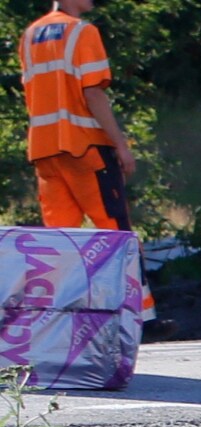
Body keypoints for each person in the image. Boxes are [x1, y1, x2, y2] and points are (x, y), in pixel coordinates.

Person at [20, 0, 154, 324]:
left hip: (45, 152)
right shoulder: (82, 31)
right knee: (115, 234)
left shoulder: (30, 34)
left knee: (61, 241)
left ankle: (59, 323)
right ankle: (143, 317)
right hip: (85, 149)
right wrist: (120, 145)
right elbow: (93, 93)